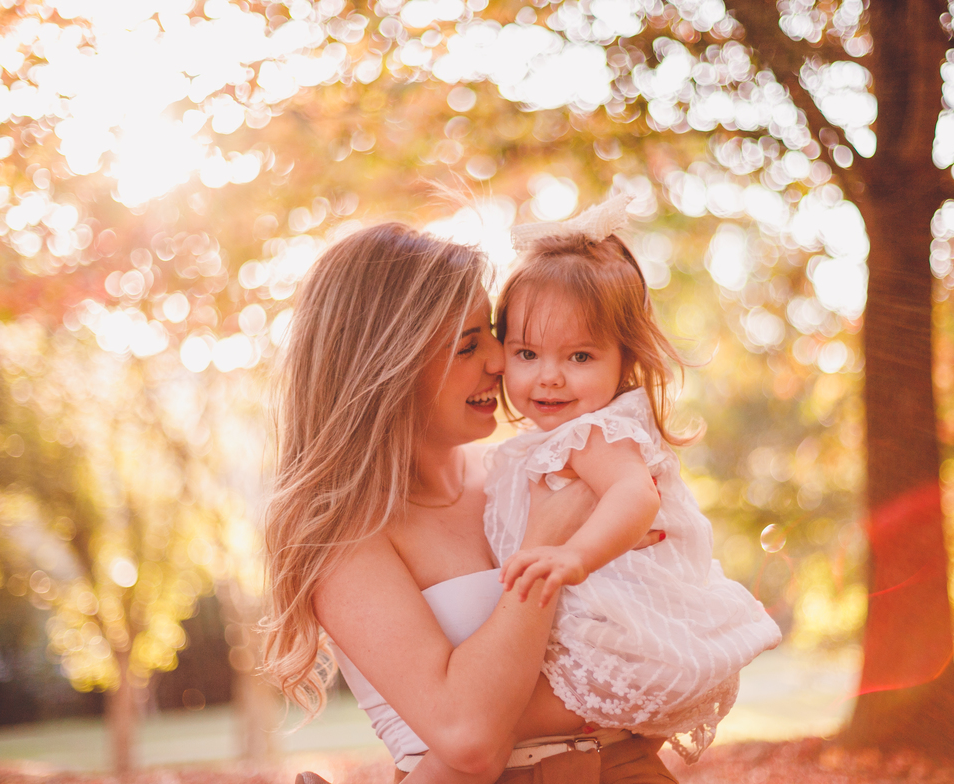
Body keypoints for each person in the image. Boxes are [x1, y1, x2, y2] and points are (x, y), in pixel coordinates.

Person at [261, 223, 678, 784]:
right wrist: (543, 543)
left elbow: (653, 630)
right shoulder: (342, 536)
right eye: (468, 345)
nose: (502, 362)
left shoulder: (525, 469)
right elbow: (470, 739)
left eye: (494, 334)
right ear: (385, 365)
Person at [486, 194, 782, 764]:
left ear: (625, 358)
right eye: (527, 353)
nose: (549, 378)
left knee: (480, 725)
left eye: (579, 357)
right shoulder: (556, 440)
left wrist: (576, 557)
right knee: (481, 726)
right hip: (622, 641)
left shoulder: (595, 433)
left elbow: (634, 495)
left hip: (625, 646)